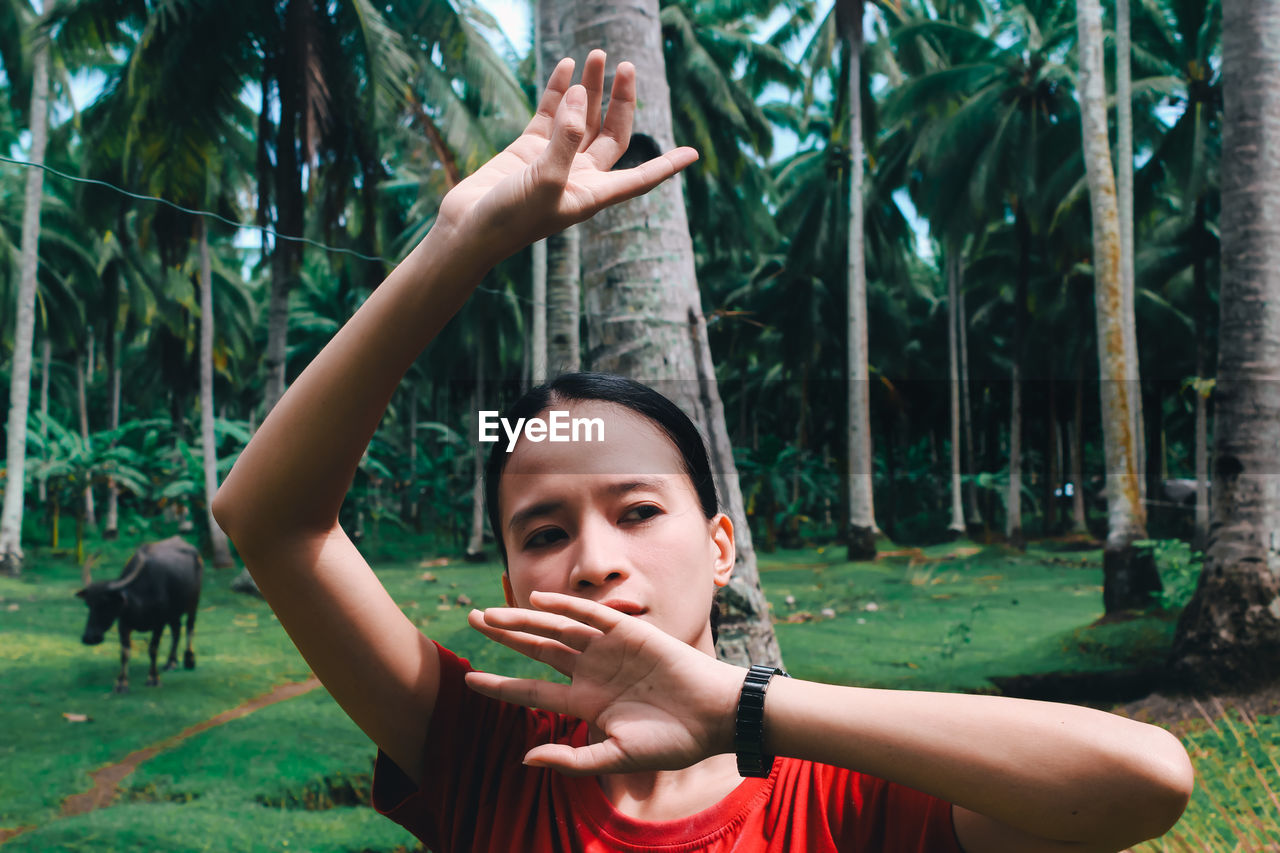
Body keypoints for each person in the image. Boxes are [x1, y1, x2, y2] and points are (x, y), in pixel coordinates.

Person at [213, 50, 1194, 852]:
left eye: (637, 510)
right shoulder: (478, 750)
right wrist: (459, 238)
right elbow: (269, 520)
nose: (595, 560)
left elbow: (1143, 784)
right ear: (510, 578)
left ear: (719, 543)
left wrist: (742, 706)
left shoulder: (839, 795)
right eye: (544, 530)